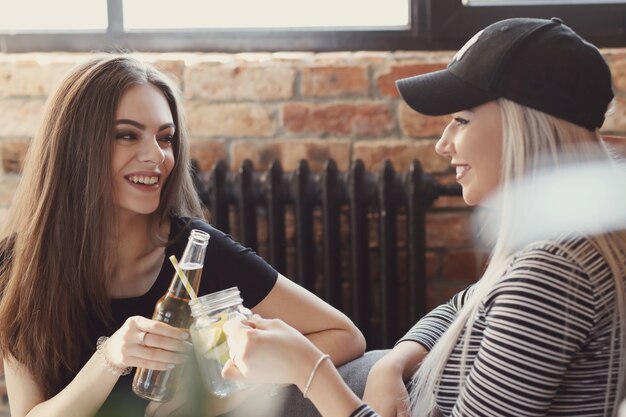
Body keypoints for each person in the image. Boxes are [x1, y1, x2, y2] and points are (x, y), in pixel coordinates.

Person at [220, 17, 626, 417]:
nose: (442, 144)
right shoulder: (566, 241)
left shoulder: (552, 273)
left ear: (526, 127)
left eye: (461, 120)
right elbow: (464, 304)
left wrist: (308, 368)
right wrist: (393, 362)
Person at [0, 55, 366, 417]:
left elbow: (343, 334)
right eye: (127, 135)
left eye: (165, 137)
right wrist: (110, 357)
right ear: (74, 147)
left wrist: (222, 397)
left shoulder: (198, 252)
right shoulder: (16, 265)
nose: (157, 156)